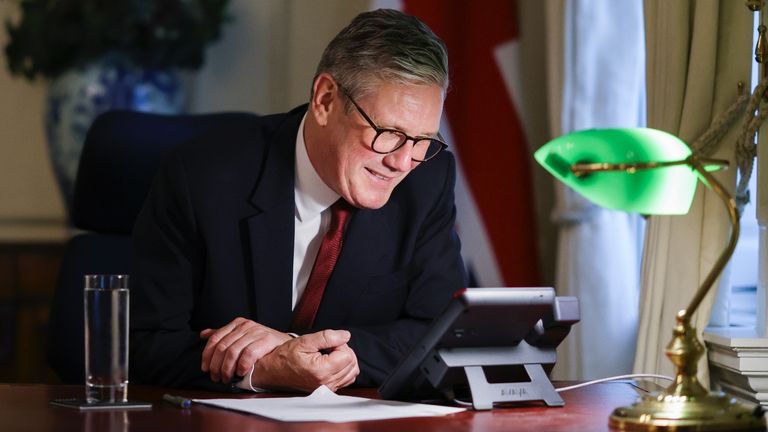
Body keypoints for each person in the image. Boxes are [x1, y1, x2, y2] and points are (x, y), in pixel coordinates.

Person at [130, 8, 466, 393]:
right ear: (324, 100)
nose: (403, 162)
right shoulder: (201, 176)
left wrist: (337, 355)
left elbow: (442, 333)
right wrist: (263, 370)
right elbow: (146, 342)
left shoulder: (427, 180)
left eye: (423, 140)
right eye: (389, 132)